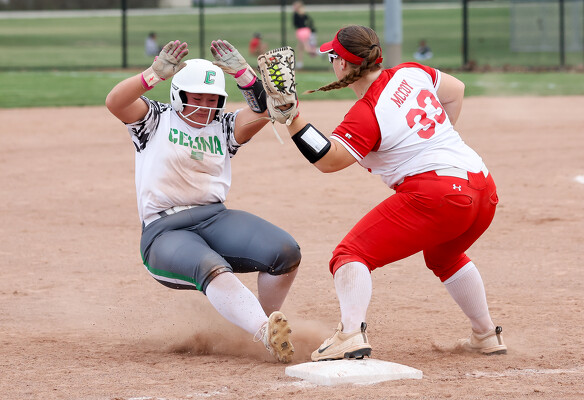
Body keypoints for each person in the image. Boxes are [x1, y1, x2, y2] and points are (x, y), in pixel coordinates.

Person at [262, 25, 507, 361]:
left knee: (350, 254)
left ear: (343, 64)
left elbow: (329, 160)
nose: (332, 63)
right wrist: (431, 144)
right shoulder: (411, 72)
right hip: (482, 187)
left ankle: (350, 334)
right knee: (444, 257)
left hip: (439, 195)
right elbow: (456, 90)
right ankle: (485, 334)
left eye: (333, 57)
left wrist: (293, 119)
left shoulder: (368, 111)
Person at [105, 39, 301, 363]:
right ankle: (262, 330)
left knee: (285, 252)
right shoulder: (155, 119)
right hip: (164, 231)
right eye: (196, 98)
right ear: (178, 95)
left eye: (213, 99)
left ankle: (263, 328)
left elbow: (268, 110)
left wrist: (244, 75)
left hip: (215, 218)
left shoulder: (223, 126)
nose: (205, 106)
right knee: (211, 266)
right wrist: (153, 74)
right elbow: (115, 102)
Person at [292, 1, 317, 69]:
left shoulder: (295, 14)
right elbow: (310, 22)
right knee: (300, 48)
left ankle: (318, 52)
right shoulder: (304, 14)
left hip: (301, 32)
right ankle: (299, 63)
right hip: (306, 30)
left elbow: (295, 24)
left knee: (306, 48)